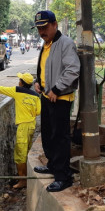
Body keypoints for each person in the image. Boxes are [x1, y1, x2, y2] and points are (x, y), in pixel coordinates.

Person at [32, 10, 80, 192]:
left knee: (60, 138)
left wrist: (57, 89)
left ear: (54, 25)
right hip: (46, 97)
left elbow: (72, 70)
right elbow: (46, 70)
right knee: (48, 134)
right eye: (39, 28)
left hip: (60, 98)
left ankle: (63, 176)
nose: (41, 32)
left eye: (44, 27)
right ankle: (53, 165)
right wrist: (38, 82)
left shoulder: (65, 44)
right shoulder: (46, 44)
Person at [0, 73, 41, 189]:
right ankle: (26, 177)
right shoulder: (35, 95)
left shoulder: (17, 91)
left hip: (23, 126)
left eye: (19, 80)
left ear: (21, 83)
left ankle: (22, 180)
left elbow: (3, 89)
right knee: (26, 151)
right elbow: (38, 112)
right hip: (32, 125)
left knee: (19, 155)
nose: (18, 81)